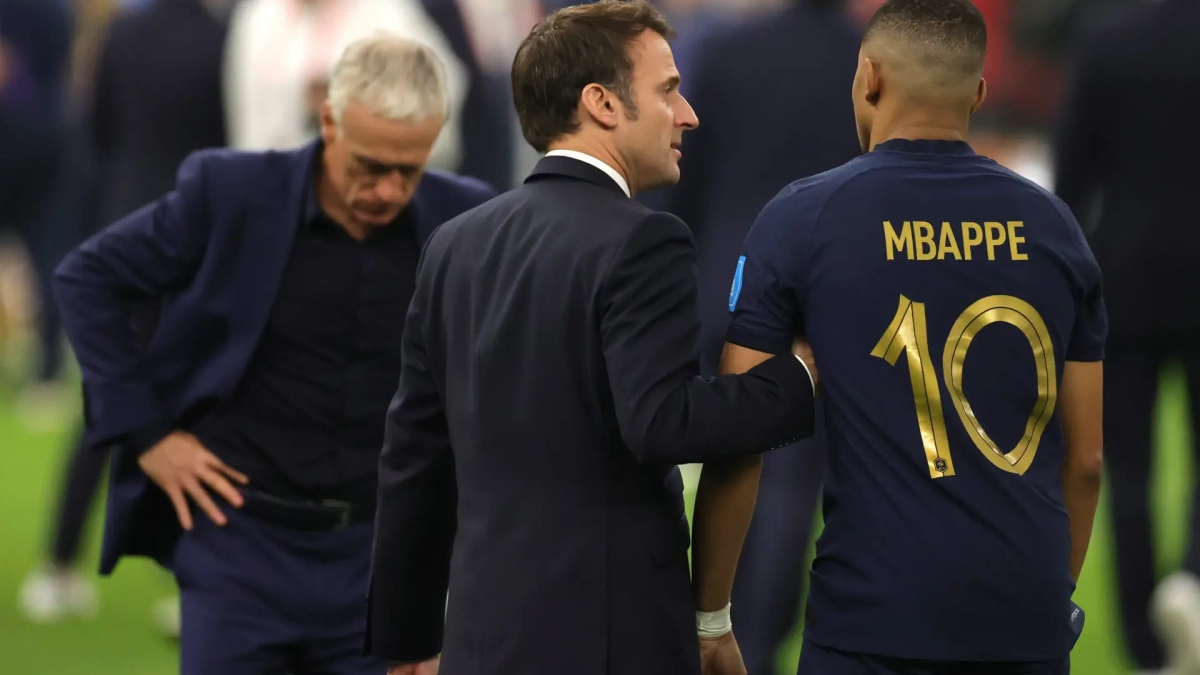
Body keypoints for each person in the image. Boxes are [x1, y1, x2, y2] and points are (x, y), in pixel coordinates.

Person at [365, 2, 819, 674]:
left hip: (482, 637)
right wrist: (798, 379)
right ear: (602, 103)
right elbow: (663, 421)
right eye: (668, 89)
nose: (687, 113)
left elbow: (413, 460)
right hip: (612, 638)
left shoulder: (454, 245)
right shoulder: (645, 239)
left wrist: (406, 643)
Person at [53, 33, 495, 675]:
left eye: (410, 169)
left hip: (381, 560)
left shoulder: (467, 219)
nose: (388, 190)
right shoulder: (233, 191)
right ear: (328, 122)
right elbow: (86, 279)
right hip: (239, 545)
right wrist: (146, 433)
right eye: (369, 166)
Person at [702, 1, 1107, 673]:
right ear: (977, 92)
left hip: (869, 623)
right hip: (1023, 626)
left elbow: (738, 434)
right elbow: (1086, 461)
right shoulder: (1055, 228)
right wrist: (1049, 600)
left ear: (868, 78)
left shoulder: (803, 216)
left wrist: (712, 616)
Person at [654, 2, 862, 671]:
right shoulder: (866, 61)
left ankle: (698, 627)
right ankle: (754, 646)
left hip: (726, 283)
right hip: (820, 302)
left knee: (724, 468)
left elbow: (685, 176)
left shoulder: (730, 52)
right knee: (789, 485)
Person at [20, 0, 230, 632]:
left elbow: (96, 130)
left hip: (122, 221)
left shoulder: (120, 34)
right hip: (197, 231)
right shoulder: (225, 38)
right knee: (203, 404)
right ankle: (200, 575)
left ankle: (59, 567)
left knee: (107, 395)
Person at [1053, 1, 1200, 672]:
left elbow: (1072, 174)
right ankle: (1192, 580)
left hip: (1127, 279)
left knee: (1127, 467)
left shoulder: (1108, 42)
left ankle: (1146, 642)